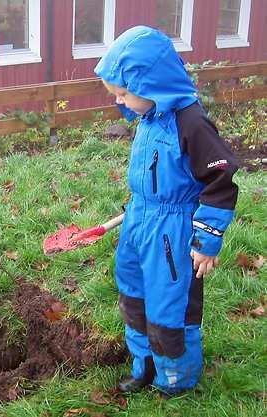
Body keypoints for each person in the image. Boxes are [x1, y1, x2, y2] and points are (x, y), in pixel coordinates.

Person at [94, 26, 238, 395]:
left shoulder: (192, 123)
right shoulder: (150, 116)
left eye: (125, 94)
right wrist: (138, 205)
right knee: (134, 292)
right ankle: (143, 364)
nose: (121, 103)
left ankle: (175, 377)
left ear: (153, 84)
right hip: (141, 221)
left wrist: (206, 240)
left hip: (173, 234)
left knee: (169, 304)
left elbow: (220, 180)